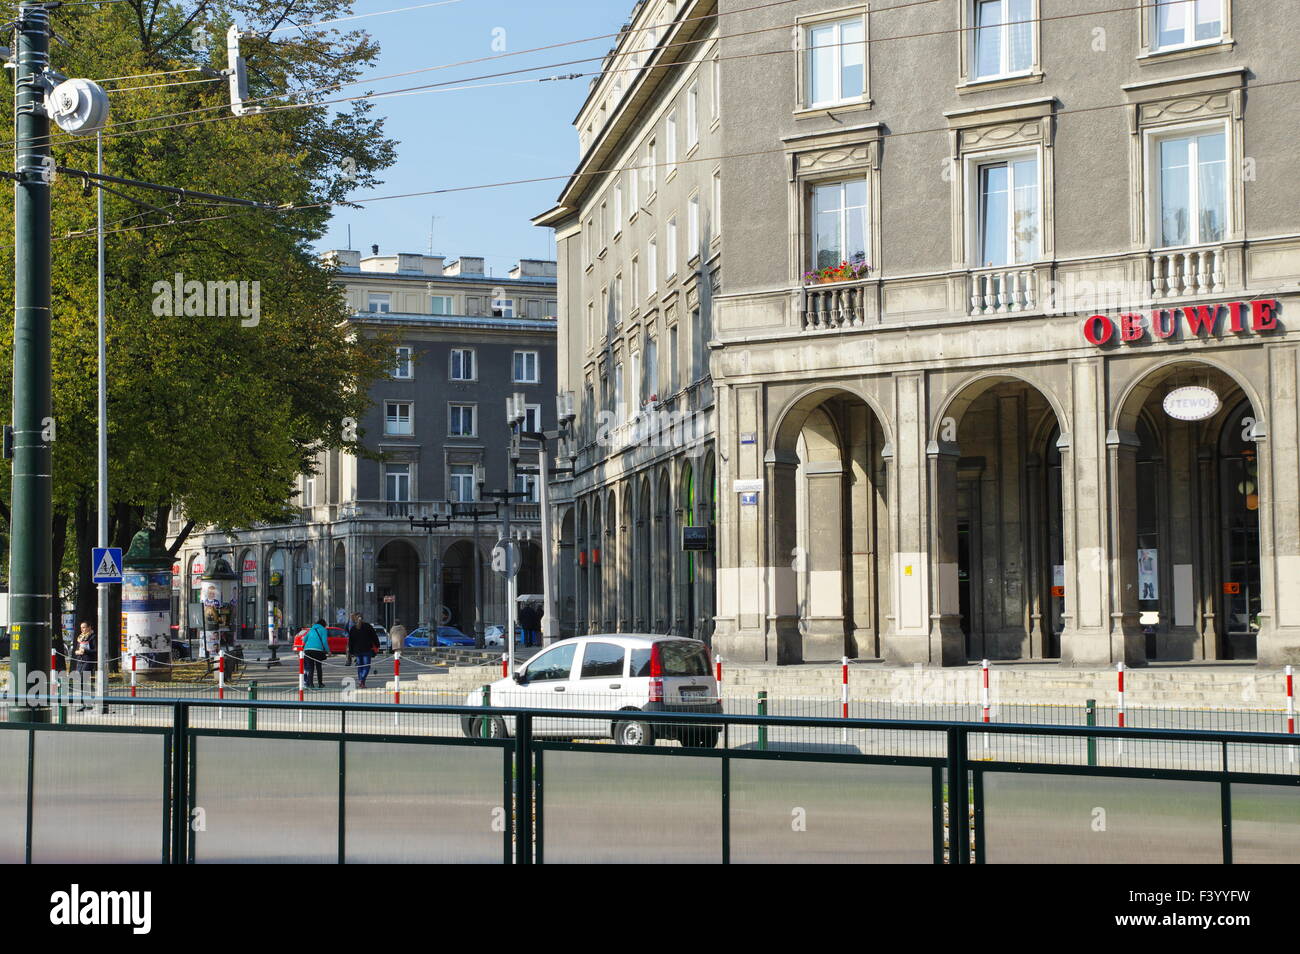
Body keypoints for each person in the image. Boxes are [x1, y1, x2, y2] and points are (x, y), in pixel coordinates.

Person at [347, 613, 380, 689]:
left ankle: (361, 682)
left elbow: (350, 641)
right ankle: (362, 681)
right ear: (363, 618)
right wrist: (377, 645)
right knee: (366, 666)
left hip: (357, 651)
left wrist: (351, 651)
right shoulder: (368, 626)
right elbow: (374, 636)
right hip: (366, 649)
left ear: (356, 618)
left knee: (360, 667)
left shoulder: (353, 628)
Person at [73, 622, 96, 711]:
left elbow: (95, 650)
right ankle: (84, 703)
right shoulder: (80, 637)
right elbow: (77, 649)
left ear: (89, 627)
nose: (83, 629)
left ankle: (88, 703)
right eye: (81, 628)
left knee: (84, 679)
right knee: (80, 681)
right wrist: (77, 652)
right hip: (80, 660)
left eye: (85, 627)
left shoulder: (92, 636)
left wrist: (85, 651)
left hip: (88, 661)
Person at [303, 618, 330, 689]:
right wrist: (328, 651)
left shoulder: (312, 629)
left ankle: (310, 684)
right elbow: (324, 641)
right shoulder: (323, 630)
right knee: (318, 667)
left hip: (308, 650)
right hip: (317, 651)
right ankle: (320, 684)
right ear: (323, 624)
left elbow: (304, 639)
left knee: (310, 668)